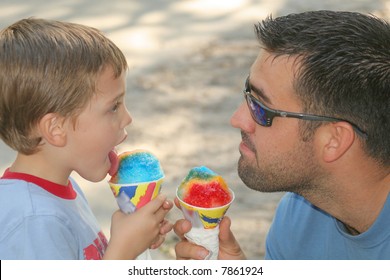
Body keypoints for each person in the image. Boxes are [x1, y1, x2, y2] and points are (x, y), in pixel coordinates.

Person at [174, 10, 390, 259]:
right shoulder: (301, 214)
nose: (237, 119)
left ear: (334, 140)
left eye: (261, 108)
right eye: (248, 93)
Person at [0, 18, 173, 260]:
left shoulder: (61, 190)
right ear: (56, 129)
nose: (127, 118)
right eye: (114, 107)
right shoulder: (34, 222)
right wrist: (121, 254)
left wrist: (134, 244)